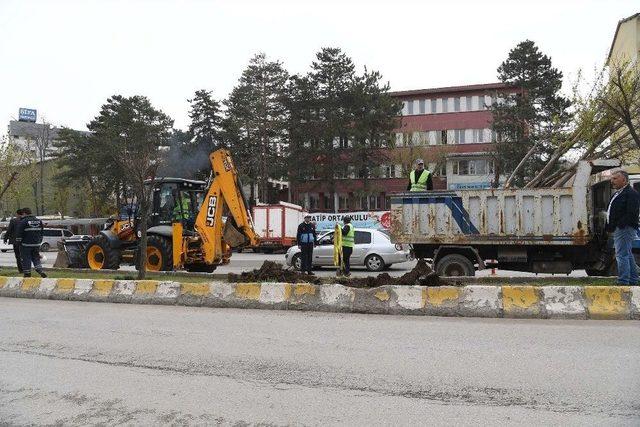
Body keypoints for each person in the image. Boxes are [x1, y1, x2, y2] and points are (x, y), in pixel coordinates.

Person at [606, 170, 640, 285]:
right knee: (627, 254)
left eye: (615, 178)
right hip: (620, 228)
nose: (612, 181)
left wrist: (619, 225)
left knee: (621, 255)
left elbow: (631, 213)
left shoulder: (631, 194)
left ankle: (623, 281)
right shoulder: (618, 193)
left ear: (624, 180)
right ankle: (633, 279)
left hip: (625, 228)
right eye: (612, 178)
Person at [15, 207, 47, 278]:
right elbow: (41, 232)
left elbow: (19, 233)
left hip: (25, 245)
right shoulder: (39, 221)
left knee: (26, 259)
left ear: (24, 213)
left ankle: (27, 274)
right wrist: (39, 241)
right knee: (36, 258)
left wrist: (18, 242)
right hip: (36, 244)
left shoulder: (23, 221)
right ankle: (40, 271)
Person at [3, 208, 24, 273]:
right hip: (25, 241)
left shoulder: (13, 221)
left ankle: (21, 270)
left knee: (18, 256)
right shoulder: (26, 220)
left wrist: (5, 238)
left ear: (17, 214)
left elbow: (9, 230)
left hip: (16, 241)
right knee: (24, 255)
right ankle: (26, 269)